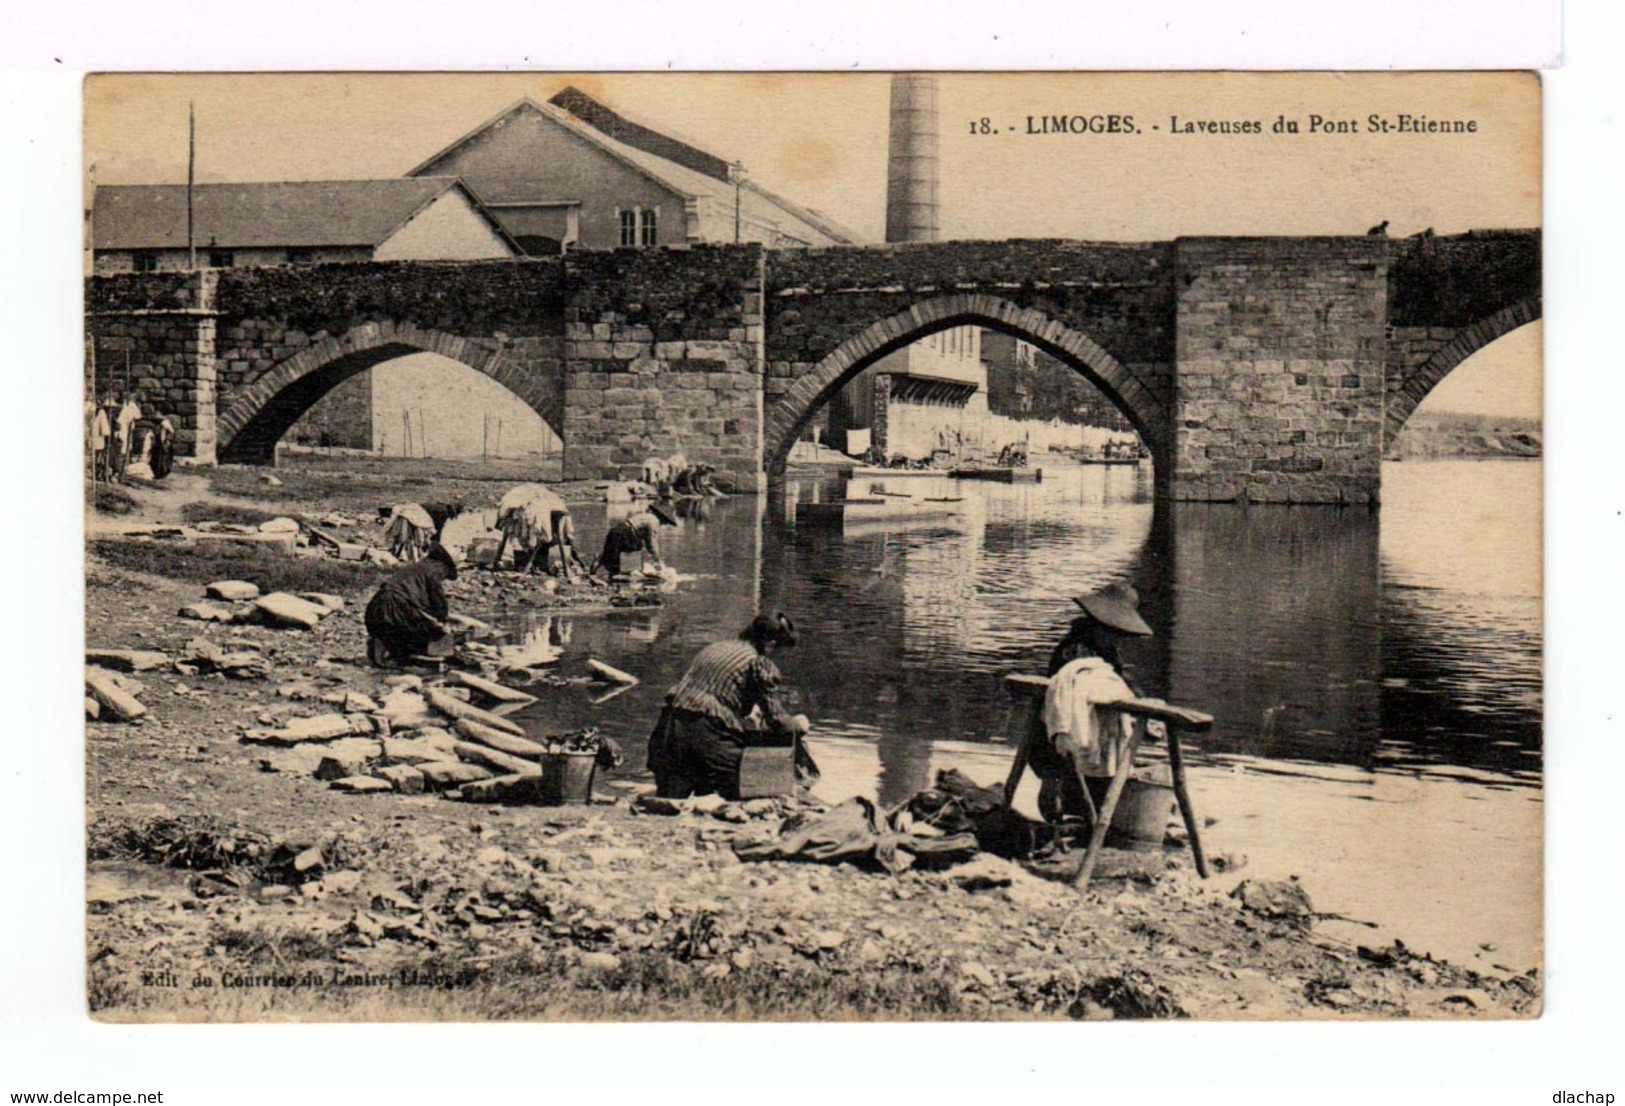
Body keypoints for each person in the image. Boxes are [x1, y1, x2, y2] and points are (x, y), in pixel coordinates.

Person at [1018, 583, 1154, 828]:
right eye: (1112, 632)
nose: (1116, 639)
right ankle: (1061, 828)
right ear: (1098, 625)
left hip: (1089, 734)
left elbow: (1121, 678)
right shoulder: (1075, 651)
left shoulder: (1105, 651)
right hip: (1060, 733)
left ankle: (1077, 829)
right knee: (1061, 784)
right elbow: (1084, 685)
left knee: (1090, 792)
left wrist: (1139, 698)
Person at [646, 613, 812, 799]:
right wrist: (798, 725)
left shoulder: (716, 648)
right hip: (704, 738)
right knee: (754, 779)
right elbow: (778, 721)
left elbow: (715, 693)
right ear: (770, 645)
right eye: (779, 653)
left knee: (676, 790)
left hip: (666, 735)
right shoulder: (758, 662)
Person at [364, 543, 458, 666]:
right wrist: (443, 625)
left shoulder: (415, 568)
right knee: (424, 634)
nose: (443, 578)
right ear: (442, 565)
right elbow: (439, 604)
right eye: (445, 574)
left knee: (391, 631)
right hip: (396, 607)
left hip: (375, 607)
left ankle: (381, 648)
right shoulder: (432, 572)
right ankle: (400, 657)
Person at [593, 501, 678, 577]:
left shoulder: (645, 516)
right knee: (635, 548)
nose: (663, 524)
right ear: (662, 518)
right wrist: (658, 559)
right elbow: (652, 543)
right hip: (626, 533)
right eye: (665, 522)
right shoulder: (654, 521)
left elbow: (648, 544)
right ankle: (630, 571)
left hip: (617, 530)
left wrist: (654, 556)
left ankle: (600, 559)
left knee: (612, 554)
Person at [150, 409, 176, 480]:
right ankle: (156, 473)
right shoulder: (156, 425)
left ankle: (162, 473)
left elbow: (171, 432)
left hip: (163, 443)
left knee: (163, 459)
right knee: (156, 459)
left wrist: (167, 440)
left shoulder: (165, 423)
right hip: (157, 443)